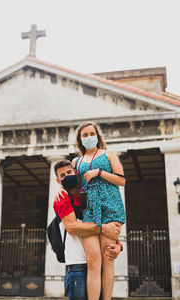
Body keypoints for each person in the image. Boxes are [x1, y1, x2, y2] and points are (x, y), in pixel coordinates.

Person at [53, 159, 122, 300]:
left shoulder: (88, 195)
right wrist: (103, 228)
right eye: (62, 176)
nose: (67, 176)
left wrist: (118, 246)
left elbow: (107, 226)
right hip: (77, 265)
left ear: (76, 173)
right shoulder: (62, 198)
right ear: (58, 181)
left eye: (69, 172)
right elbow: (72, 227)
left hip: (99, 263)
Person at [73, 121, 126, 300]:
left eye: (92, 133)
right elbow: (72, 186)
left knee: (107, 258)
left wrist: (100, 172)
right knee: (93, 261)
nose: (89, 137)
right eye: (85, 135)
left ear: (98, 136)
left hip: (110, 208)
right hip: (88, 211)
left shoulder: (108, 154)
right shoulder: (76, 161)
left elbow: (121, 180)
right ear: (80, 140)